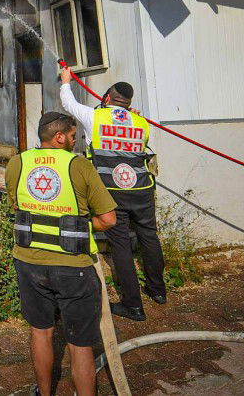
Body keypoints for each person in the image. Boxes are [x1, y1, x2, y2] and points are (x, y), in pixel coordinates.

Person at [5, 111, 117, 396]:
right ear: (59, 137)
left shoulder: (17, 163)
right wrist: (77, 225)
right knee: (80, 344)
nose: (75, 140)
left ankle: (44, 393)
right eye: (72, 136)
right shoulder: (79, 165)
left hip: (29, 262)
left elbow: (18, 208)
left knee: (40, 332)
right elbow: (108, 219)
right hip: (73, 266)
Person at [59, 65, 167, 322]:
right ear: (128, 103)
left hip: (112, 191)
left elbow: (69, 103)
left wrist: (65, 80)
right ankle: (158, 291)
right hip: (141, 189)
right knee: (149, 237)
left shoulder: (95, 117)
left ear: (107, 98)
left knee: (121, 245)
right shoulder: (141, 122)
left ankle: (133, 306)